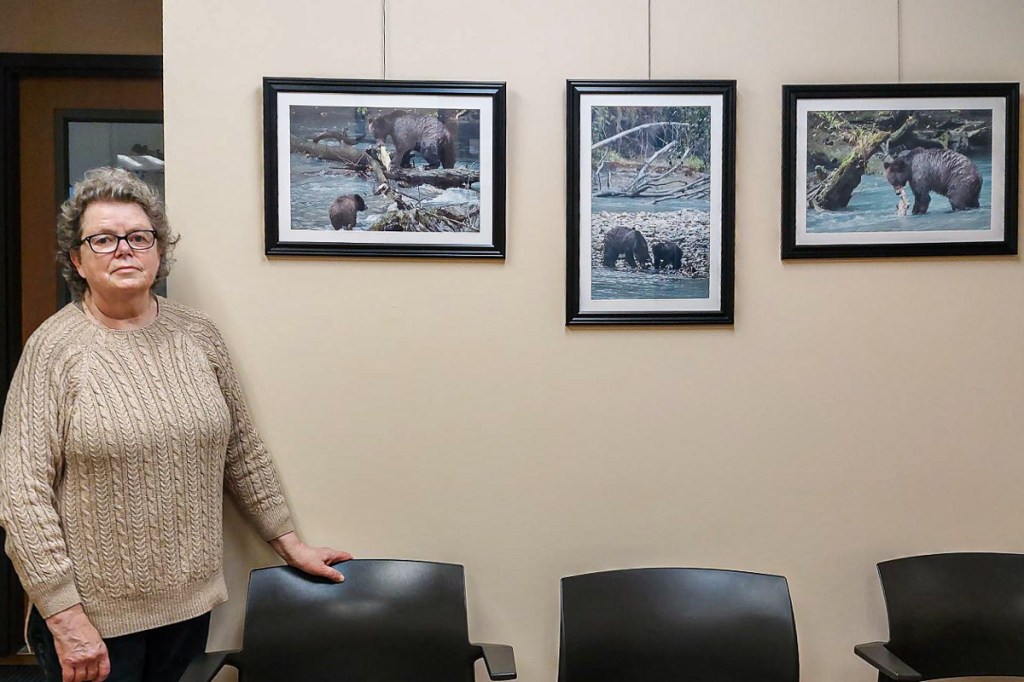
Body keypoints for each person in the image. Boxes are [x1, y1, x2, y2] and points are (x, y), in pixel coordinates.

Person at [0, 167, 352, 682]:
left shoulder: (199, 334)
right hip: (93, 621)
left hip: (189, 608)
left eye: (139, 237)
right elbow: (22, 494)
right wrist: (64, 615)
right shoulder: (53, 349)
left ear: (159, 251)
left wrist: (291, 544)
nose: (124, 250)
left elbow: (243, 452)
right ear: (76, 259)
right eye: (103, 239)